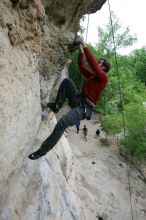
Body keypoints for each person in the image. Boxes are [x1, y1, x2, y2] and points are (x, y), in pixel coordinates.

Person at [28, 36, 111, 160]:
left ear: (103, 68)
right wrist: (81, 51)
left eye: (100, 62)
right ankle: (56, 105)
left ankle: (42, 151)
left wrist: (85, 45)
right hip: (78, 99)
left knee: (62, 124)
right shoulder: (94, 76)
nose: (97, 63)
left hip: (84, 108)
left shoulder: (103, 78)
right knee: (67, 82)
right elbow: (82, 67)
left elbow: (93, 64)